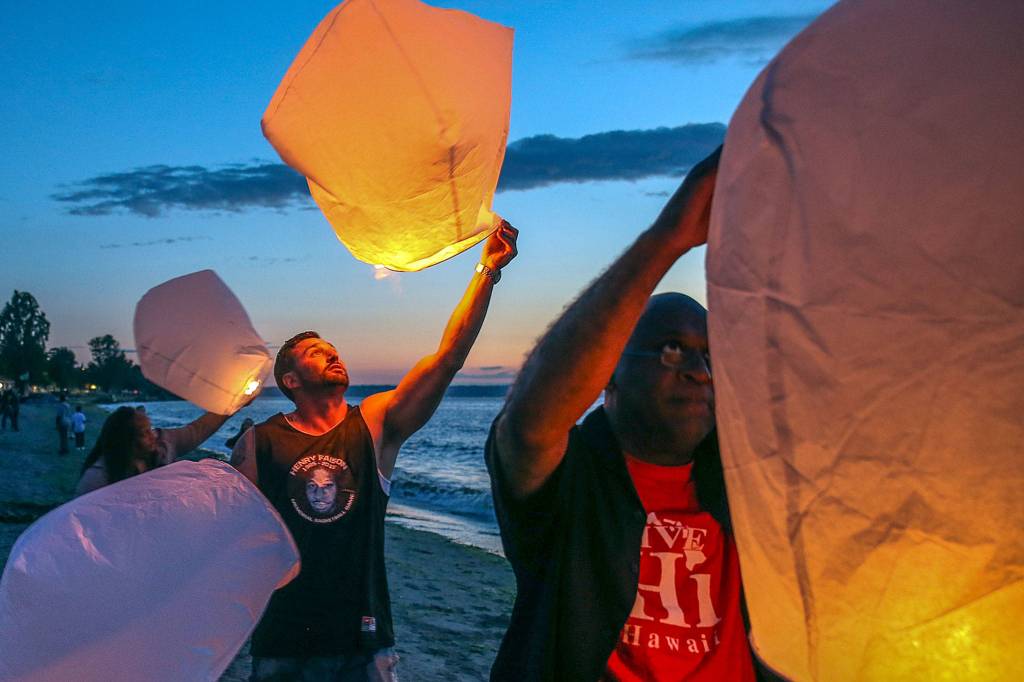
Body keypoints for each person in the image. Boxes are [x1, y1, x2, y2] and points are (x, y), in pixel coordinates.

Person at [485, 149, 763, 681]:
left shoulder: (742, 480)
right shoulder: (572, 484)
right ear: (608, 372)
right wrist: (667, 239)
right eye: (670, 349)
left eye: (709, 354)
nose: (700, 371)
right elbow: (529, 423)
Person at [231, 222, 518, 681]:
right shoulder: (258, 441)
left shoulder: (373, 424)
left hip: (362, 643)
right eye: (315, 352)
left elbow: (447, 358)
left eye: (332, 348)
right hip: (282, 642)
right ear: (290, 381)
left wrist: (487, 270)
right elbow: (233, 540)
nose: (331, 353)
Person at [76, 404, 247, 496]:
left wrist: (232, 405)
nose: (153, 436)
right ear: (126, 440)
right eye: (145, 432)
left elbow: (197, 430)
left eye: (151, 428)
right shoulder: (97, 480)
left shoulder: (163, 446)